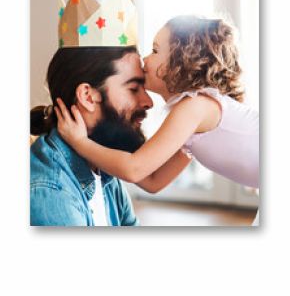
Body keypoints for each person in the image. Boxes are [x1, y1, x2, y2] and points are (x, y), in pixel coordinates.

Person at [55, 15, 259, 194]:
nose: (145, 59)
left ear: (182, 60)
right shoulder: (193, 116)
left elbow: (134, 170)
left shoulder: (195, 107)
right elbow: (153, 181)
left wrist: (80, 142)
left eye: (154, 50)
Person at [30, 46, 191, 226]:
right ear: (87, 97)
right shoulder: (52, 192)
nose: (149, 102)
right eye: (133, 89)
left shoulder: (103, 165)